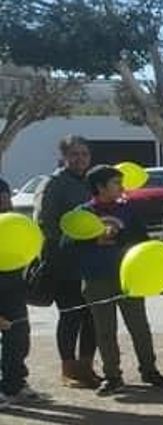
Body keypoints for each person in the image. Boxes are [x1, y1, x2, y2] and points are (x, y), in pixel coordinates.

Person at [67, 165, 163, 396]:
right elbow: (68, 244)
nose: (122, 187)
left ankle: (149, 369)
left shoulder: (128, 210)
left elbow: (142, 240)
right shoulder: (82, 213)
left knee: (139, 326)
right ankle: (112, 376)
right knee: (105, 330)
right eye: (116, 183)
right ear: (100, 187)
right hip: (96, 280)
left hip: (128, 278)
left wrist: (121, 238)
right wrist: (92, 240)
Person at [35, 136, 99, 388]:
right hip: (63, 262)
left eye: (84, 154)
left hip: (92, 262)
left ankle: (86, 368)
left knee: (92, 317)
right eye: (74, 154)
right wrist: (73, 237)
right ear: (63, 157)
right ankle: (69, 370)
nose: (80, 159)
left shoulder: (92, 181)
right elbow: (45, 224)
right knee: (71, 315)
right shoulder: (53, 184)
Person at [0, 177, 46, 407]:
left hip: (13, 287)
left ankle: (15, 383)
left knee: (19, 336)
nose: (4, 201)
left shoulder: (15, 222)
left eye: (5, 196)